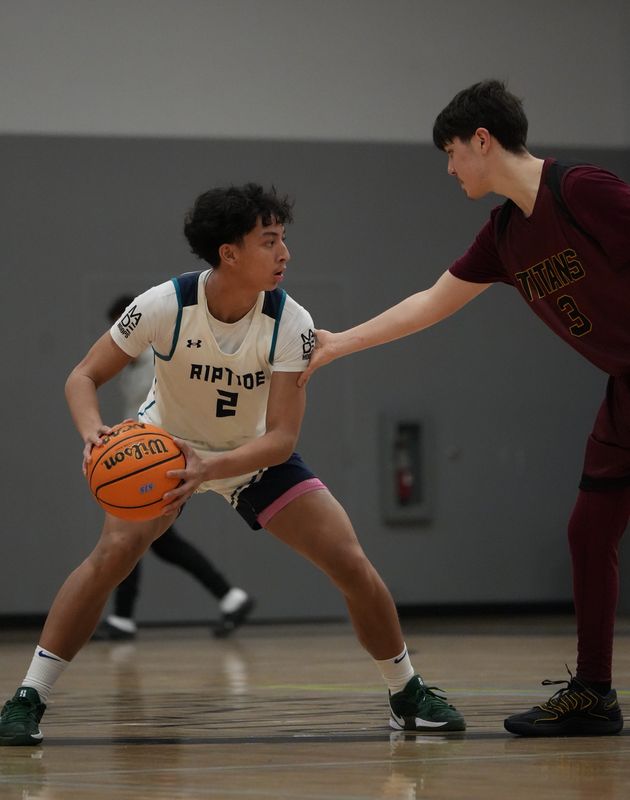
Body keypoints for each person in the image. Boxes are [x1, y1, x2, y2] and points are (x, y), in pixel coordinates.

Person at [0, 183, 465, 746]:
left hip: (249, 456)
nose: (285, 253)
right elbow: (82, 376)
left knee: (348, 559)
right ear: (229, 252)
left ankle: (406, 693)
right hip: (164, 449)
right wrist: (93, 434)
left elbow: (282, 438)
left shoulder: (290, 323)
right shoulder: (163, 305)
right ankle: (29, 697)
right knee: (111, 556)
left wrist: (214, 466)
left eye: (284, 240)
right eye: (270, 241)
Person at [298, 80, 630, 737]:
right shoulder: (505, 236)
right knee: (588, 532)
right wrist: (338, 345)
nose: (449, 169)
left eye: (452, 152)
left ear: (483, 139)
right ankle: (594, 692)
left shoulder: (582, 190)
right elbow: (430, 303)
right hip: (625, 390)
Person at [92, 294, 254, 641]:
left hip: (163, 459)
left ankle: (122, 618)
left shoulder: (159, 358)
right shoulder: (129, 369)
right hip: (143, 460)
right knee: (150, 541)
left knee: (131, 534)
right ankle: (229, 596)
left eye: (123, 325)